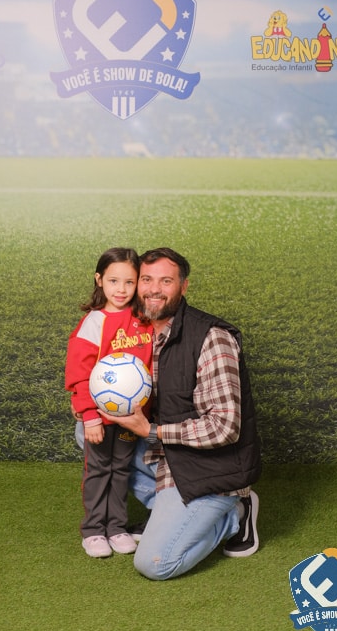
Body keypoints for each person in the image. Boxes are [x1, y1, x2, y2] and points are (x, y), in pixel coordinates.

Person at [101, 247, 262, 580]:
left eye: (166, 281)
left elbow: (225, 427)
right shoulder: (134, 332)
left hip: (209, 468)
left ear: (183, 286)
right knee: (94, 431)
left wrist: (152, 431)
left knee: (154, 564)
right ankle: (163, 509)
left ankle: (234, 514)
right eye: (147, 279)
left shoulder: (211, 338)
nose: (154, 289)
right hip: (165, 455)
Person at [65, 247, 153, 559]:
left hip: (131, 417)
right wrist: (89, 415)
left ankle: (117, 528)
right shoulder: (94, 322)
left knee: (121, 469)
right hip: (100, 418)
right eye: (114, 281)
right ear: (99, 279)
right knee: (99, 469)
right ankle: (93, 531)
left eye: (130, 282)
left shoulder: (143, 319)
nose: (121, 289)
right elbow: (79, 373)